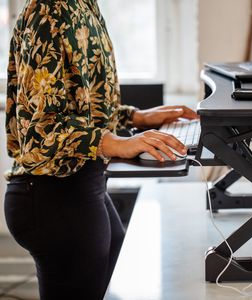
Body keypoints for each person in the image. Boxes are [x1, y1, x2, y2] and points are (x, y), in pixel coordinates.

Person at [4, 0, 198, 299]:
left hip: (81, 183)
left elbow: (82, 104)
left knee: (114, 252)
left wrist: (137, 117)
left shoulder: (84, 5)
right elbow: (39, 132)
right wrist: (118, 143)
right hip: (52, 193)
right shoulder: (48, 11)